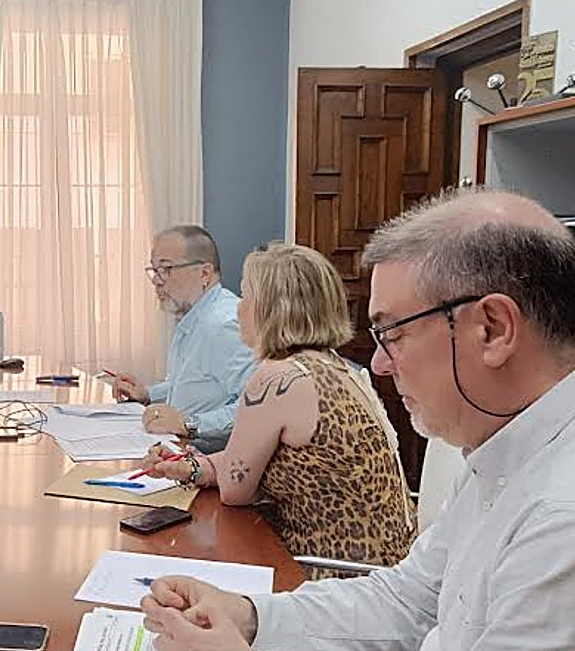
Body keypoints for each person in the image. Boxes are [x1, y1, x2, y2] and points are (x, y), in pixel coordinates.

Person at [140, 189, 575, 651]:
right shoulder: (514, 443)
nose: (382, 365)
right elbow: (409, 597)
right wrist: (250, 613)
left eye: (393, 333)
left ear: (492, 329)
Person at [138, 242, 414, 566]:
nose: (239, 308)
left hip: (331, 577)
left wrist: (209, 469)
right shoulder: (336, 367)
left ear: (273, 307)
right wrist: (193, 466)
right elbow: (250, 460)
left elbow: (234, 490)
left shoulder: (277, 378)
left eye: (247, 296)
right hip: (384, 566)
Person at [112, 225, 256, 453]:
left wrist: (189, 424)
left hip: (210, 464)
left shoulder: (224, 325)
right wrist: (148, 394)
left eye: (167, 269)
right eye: (155, 270)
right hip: (180, 451)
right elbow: (198, 383)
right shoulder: (195, 316)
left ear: (205, 274)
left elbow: (255, 406)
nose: (157, 281)